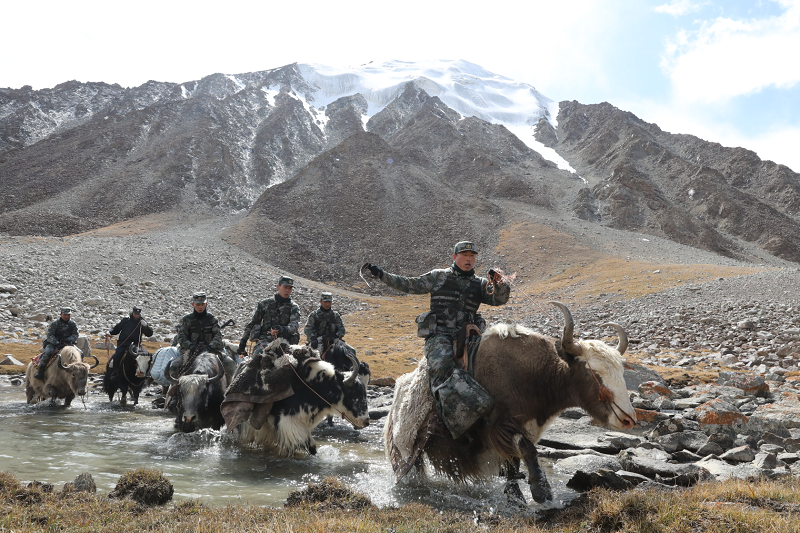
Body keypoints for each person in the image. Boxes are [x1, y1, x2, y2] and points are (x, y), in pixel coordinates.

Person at [365, 241, 510, 439]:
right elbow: (409, 284)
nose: (469, 259)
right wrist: (382, 275)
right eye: (465, 255)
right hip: (440, 334)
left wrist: (501, 284)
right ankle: (443, 417)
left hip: (470, 335)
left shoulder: (481, 284)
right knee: (441, 365)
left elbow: (499, 300)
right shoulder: (438, 276)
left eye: (472, 256)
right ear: (455, 257)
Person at [173, 292, 238, 376]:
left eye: (202, 304)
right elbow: (181, 337)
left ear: (206, 304)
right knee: (173, 368)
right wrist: (190, 346)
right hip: (190, 351)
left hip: (211, 351)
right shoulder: (186, 320)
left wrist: (210, 347)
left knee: (231, 365)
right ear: (193, 304)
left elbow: (218, 336)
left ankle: (230, 384)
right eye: (198, 304)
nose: (200, 307)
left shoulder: (213, 319)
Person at [237, 276, 301, 356]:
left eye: (290, 288)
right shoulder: (265, 304)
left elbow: (294, 326)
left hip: (286, 341)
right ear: (278, 287)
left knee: (292, 360)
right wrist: (243, 342)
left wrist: (282, 329)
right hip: (265, 340)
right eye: (285, 287)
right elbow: (253, 323)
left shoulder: (294, 307)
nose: (287, 290)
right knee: (257, 357)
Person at [106, 306, 154, 376]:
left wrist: (146, 327)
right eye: (135, 314)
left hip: (136, 345)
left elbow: (149, 334)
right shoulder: (125, 320)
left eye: (138, 314)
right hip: (123, 344)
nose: (136, 316)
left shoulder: (142, 322)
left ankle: (146, 374)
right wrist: (109, 332)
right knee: (118, 355)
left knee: (146, 356)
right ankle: (115, 372)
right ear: (132, 313)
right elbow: (116, 329)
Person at [35, 306, 80, 380]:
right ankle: (40, 371)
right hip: (54, 343)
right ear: (61, 314)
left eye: (68, 315)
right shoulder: (54, 323)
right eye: (65, 314)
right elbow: (50, 335)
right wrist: (57, 343)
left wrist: (67, 339)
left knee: (80, 353)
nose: (66, 316)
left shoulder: (73, 324)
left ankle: (80, 371)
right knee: (48, 352)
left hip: (68, 343)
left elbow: (75, 335)